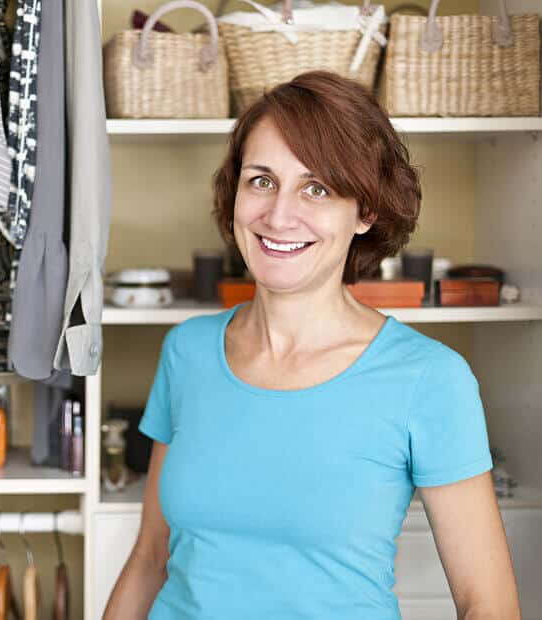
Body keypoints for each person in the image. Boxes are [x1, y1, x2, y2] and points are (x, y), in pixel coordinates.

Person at [103, 71, 521, 619]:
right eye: (261, 180)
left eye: (317, 188)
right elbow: (150, 558)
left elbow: (486, 603)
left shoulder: (430, 379)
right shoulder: (187, 351)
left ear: (366, 211)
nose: (278, 215)